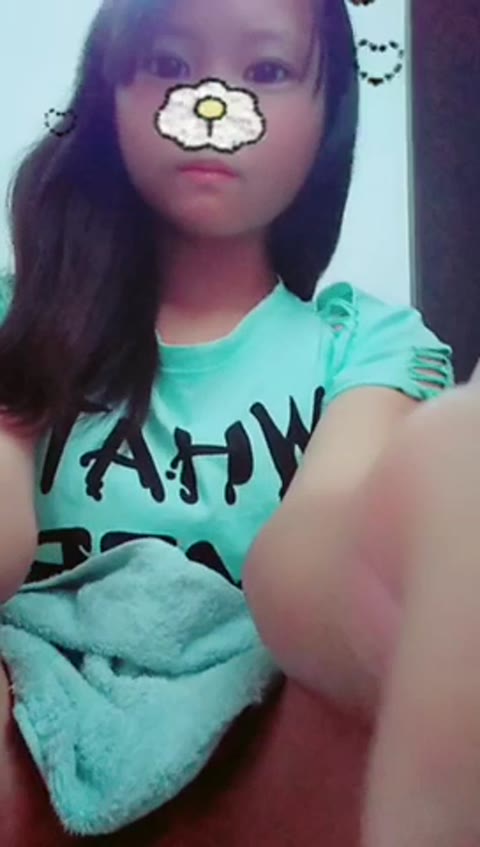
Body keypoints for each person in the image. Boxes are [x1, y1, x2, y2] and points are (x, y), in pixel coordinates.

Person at [0, 0, 475, 844]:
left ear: (329, 117)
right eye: (170, 65)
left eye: (267, 70)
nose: (215, 104)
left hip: (269, 740)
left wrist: (399, 605)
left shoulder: (365, 343)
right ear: (111, 95)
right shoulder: (16, 317)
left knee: (403, 502)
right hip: (21, 733)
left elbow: (315, 539)